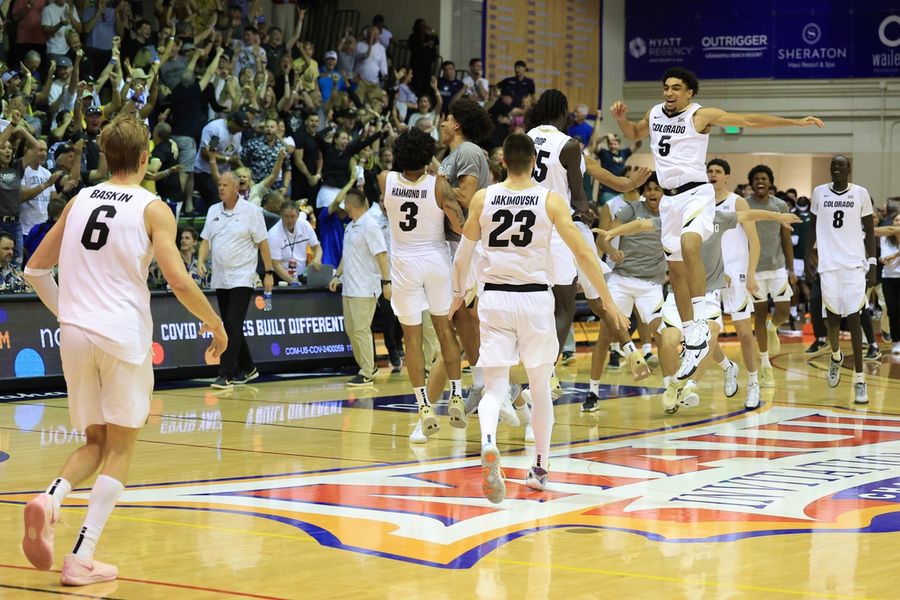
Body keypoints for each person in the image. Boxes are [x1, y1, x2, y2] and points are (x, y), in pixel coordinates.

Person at [21, 114, 226, 586]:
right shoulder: (154, 209)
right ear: (143, 158)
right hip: (121, 335)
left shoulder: (78, 201)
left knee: (94, 441)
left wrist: (66, 313)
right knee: (121, 447)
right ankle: (81, 556)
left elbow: (34, 270)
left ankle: (51, 499)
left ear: (105, 156)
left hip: (73, 334)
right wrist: (216, 324)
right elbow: (176, 279)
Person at [610, 67, 823, 383]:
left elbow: (748, 121)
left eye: (676, 88)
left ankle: (697, 321)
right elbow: (634, 134)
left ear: (689, 92)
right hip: (668, 201)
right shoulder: (655, 113)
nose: (669, 93)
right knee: (676, 269)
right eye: (666, 87)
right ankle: (691, 333)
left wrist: (794, 122)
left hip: (696, 193)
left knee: (689, 244)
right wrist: (621, 119)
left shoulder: (700, 115)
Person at [450, 133, 629, 503]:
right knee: (540, 384)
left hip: (494, 298)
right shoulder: (550, 200)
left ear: (502, 162)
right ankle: (540, 468)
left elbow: (463, 255)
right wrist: (608, 301)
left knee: (495, 385)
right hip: (533, 299)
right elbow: (583, 253)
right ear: (535, 160)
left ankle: (488, 443)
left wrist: (456, 295)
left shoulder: (483, 198)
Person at [526, 89, 651, 396]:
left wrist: (626, 184)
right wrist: (595, 208)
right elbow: (583, 196)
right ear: (564, 113)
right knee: (578, 304)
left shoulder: (526, 138)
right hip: (565, 229)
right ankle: (549, 373)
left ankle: (630, 350)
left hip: (533, 230)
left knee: (588, 300)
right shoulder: (569, 146)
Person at [379, 129, 466, 440]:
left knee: (412, 339)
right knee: (445, 331)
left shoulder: (384, 180)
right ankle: (456, 394)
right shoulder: (439, 186)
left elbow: (385, 204)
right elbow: (460, 226)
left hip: (403, 263)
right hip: (435, 261)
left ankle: (424, 406)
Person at [582, 174, 665, 413]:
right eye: (648, 189)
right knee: (604, 336)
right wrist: (610, 250)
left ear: (663, 192)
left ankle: (671, 388)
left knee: (662, 334)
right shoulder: (631, 209)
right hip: (622, 278)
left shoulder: (670, 212)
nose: (651, 193)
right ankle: (593, 392)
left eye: (656, 189)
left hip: (651, 284)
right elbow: (604, 237)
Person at [806, 155, 876, 405]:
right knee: (833, 319)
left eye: (841, 166)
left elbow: (870, 232)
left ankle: (859, 380)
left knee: (855, 318)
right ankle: (835, 356)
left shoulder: (860, 193)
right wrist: (807, 260)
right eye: (833, 165)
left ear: (849, 170)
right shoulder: (819, 193)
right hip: (828, 265)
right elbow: (812, 228)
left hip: (855, 265)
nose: (836, 168)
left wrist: (873, 263)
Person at [198, 171, 275, 389]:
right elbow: (205, 240)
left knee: (231, 324)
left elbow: (263, 243)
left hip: (243, 276)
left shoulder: (251, 211)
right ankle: (249, 368)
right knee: (233, 326)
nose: (221, 188)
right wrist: (201, 260)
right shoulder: (213, 210)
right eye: (219, 184)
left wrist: (268, 272)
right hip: (220, 277)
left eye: (225, 185)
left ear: (236, 188)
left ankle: (226, 374)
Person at [706, 159, 762, 409]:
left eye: (717, 171)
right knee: (704, 335)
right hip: (711, 277)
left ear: (726, 176)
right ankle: (727, 367)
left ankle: (753, 383)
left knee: (745, 335)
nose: (712, 174)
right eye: (709, 171)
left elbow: (754, 241)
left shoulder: (737, 202)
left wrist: (751, 273)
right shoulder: (702, 203)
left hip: (737, 275)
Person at [327, 188, 391, 386]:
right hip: (349, 286)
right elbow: (346, 255)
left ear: (350, 205)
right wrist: (337, 275)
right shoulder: (350, 227)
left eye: (345, 204)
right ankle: (366, 365)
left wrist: (386, 282)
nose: (344, 207)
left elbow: (381, 255)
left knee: (362, 329)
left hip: (365, 287)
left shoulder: (370, 226)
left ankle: (367, 370)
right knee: (351, 329)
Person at [744, 164, 794, 388]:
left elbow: (786, 240)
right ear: (751, 183)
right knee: (759, 318)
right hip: (754, 270)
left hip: (777, 268)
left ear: (770, 181)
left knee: (783, 312)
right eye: (756, 179)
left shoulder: (780, 205)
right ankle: (765, 365)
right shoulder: (744, 205)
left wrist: (791, 269)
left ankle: (775, 328)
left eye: (763, 178)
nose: (760, 182)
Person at [268, 200, 321, 284]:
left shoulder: (305, 225)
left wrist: (317, 258)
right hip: (281, 278)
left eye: (292, 216)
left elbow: (316, 246)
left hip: (301, 274)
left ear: (298, 215)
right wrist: (293, 282)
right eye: (286, 216)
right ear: (281, 215)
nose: (289, 220)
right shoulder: (273, 234)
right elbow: (276, 264)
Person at [878, 215, 900, 354]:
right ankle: (896, 341)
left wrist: (893, 256)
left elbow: (890, 257)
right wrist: (884, 259)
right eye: (896, 220)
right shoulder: (885, 238)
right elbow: (883, 257)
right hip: (888, 278)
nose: (898, 223)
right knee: (892, 311)